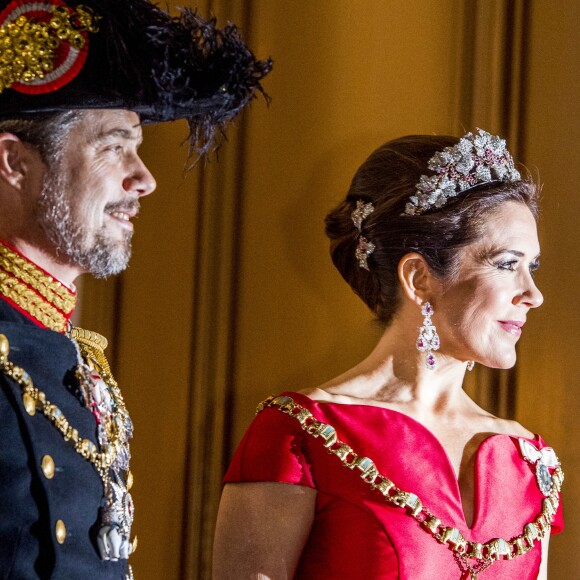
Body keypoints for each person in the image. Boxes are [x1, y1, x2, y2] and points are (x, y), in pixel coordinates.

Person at [213, 129, 564, 579]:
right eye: (506, 264)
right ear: (419, 278)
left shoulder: (527, 459)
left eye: (531, 267)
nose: (533, 294)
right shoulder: (303, 434)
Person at [0, 0, 271, 577]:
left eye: (137, 147)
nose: (144, 179)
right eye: (112, 146)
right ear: (14, 163)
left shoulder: (75, 355)